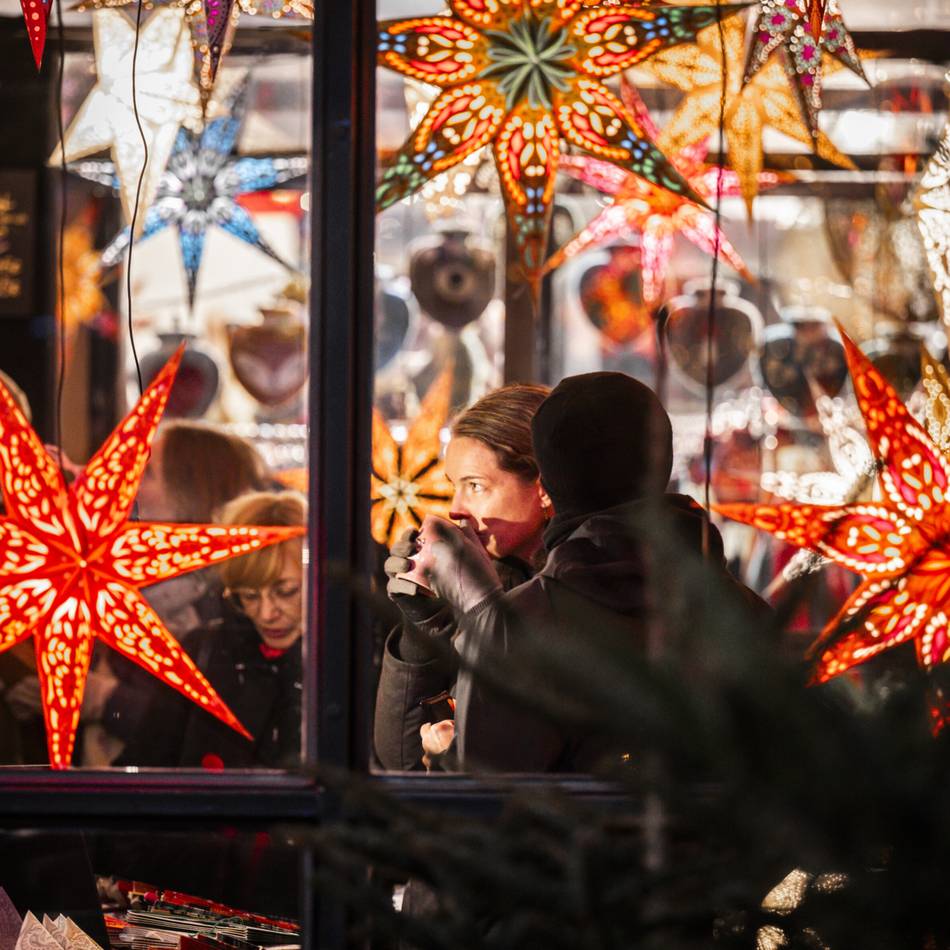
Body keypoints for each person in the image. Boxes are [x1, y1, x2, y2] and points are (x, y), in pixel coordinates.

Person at [417, 371, 770, 773]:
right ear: (660, 458)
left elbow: (488, 796)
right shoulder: (743, 611)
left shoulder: (526, 623)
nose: (456, 507)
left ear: (547, 479)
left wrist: (446, 760)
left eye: (475, 485)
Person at [374, 384, 551, 771]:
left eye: (475, 486)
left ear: (543, 489)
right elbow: (401, 762)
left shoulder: (570, 593)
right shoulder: (490, 575)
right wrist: (422, 628)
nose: (456, 508)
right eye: (454, 485)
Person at [111, 491, 306, 769]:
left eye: (286, 592)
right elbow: (144, 760)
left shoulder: (343, 666)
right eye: (249, 596)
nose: (266, 614)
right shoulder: (204, 652)